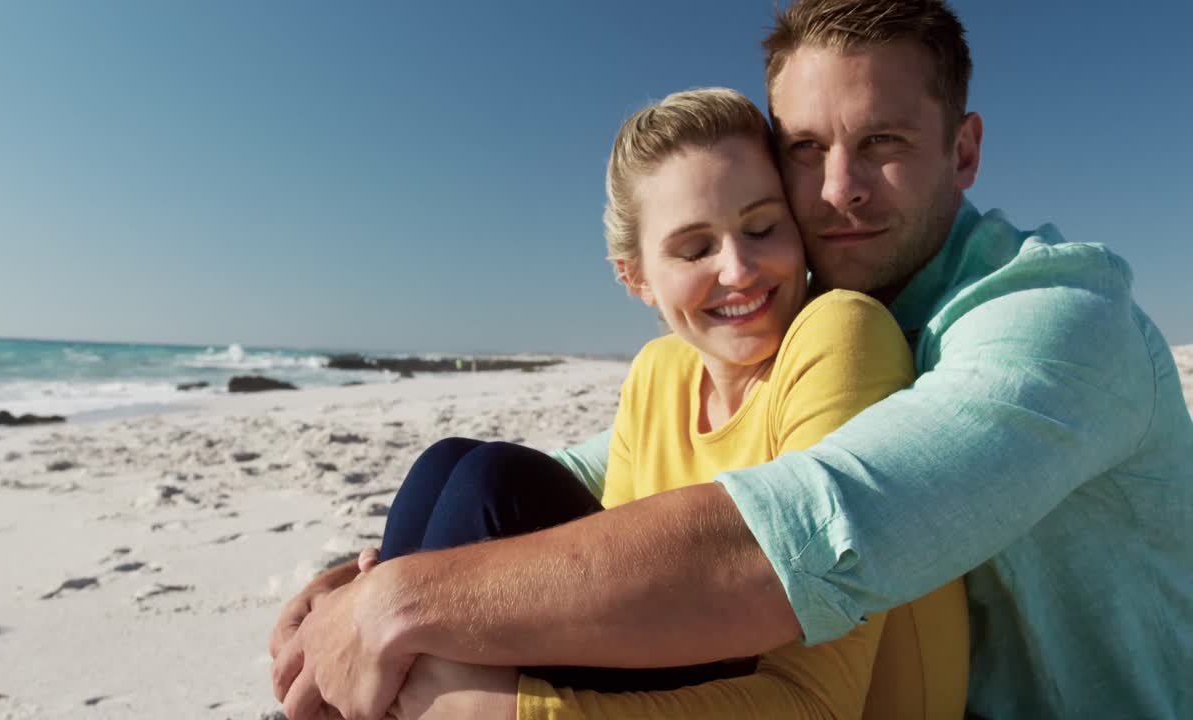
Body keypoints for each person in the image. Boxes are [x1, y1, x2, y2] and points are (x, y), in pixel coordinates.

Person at [270, 1, 1193, 718]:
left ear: (964, 151)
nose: (839, 191)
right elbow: (597, 463)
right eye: (806, 150)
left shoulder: (1055, 319)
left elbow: (812, 532)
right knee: (472, 478)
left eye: (883, 142)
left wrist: (404, 604)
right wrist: (379, 575)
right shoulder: (822, 307)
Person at [272, 87, 968, 720]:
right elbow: (604, 575)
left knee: (489, 485)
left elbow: (818, 702)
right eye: (694, 248)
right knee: (450, 464)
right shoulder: (660, 371)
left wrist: (510, 710)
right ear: (636, 278)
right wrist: (371, 591)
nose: (739, 269)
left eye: (762, 228)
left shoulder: (839, 332)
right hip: (704, 671)